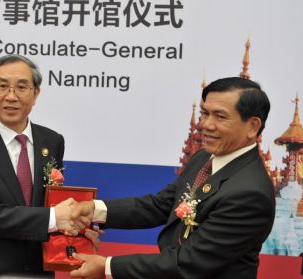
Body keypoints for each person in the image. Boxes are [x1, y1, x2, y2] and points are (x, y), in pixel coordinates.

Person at [69, 77, 276, 279]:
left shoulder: (250, 194)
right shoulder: (204, 157)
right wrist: (95, 210)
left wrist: (107, 266)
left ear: (253, 126)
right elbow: (161, 206)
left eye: (220, 117)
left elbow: (190, 262)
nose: (206, 124)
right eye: (204, 113)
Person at [0, 54, 82, 278]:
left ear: (36, 93)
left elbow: (52, 202)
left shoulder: (52, 141)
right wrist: (53, 218)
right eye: (2, 86)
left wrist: (80, 227)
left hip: (39, 271)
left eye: (21, 87)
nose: (11, 96)